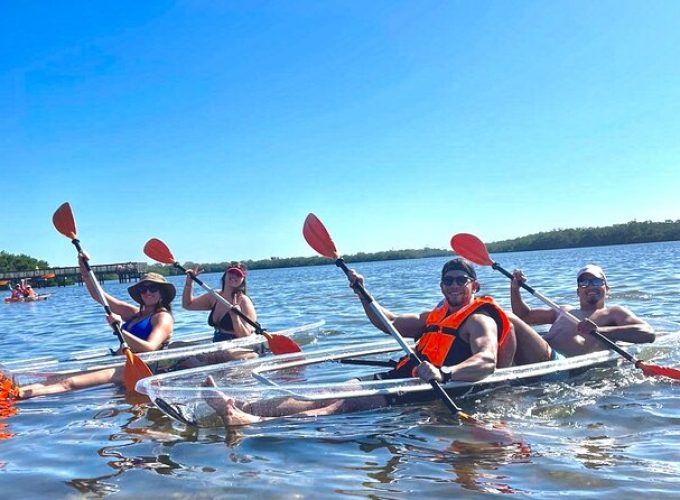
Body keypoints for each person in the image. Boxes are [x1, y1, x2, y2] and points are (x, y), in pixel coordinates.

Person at [200, 258, 521, 426]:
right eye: (447, 281)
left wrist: (445, 373)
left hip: (428, 388)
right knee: (328, 390)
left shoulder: (479, 319)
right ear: (441, 286)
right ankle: (241, 405)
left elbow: (487, 360)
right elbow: (390, 322)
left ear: (473, 285)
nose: (452, 286)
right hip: (402, 378)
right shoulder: (434, 316)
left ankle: (251, 422)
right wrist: (363, 295)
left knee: (345, 404)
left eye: (459, 281)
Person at [12, 254, 175, 399]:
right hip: (116, 360)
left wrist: (118, 329)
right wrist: (84, 268)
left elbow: (150, 348)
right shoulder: (135, 313)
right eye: (143, 289)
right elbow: (100, 296)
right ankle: (12, 392)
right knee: (54, 378)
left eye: (152, 288)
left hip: (135, 368)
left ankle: (15, 398)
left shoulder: (163, 317)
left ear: (162, 292)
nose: (147, 292)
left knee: (69, 383)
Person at [510, 264, 655, 364]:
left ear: (607, 289)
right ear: (578, 291)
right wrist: (515, 288)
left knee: (508, 318)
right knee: (502, 320)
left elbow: (648, 333)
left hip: (558, 366)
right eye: (584, 282)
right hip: (536, 359)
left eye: (597, 281)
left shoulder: (613, 313)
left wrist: (600, 331)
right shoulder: (563, 310)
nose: (591, 285)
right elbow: (523, 317)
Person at [181, 262, 259, 361]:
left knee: (225, 354)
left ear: (243, 280)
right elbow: (188, 305)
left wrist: (235, 318)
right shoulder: (214, 296)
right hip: (218, 346)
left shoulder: (244, 301)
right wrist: (189, 283)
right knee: (175, 346)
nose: (234, 276)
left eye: (238, 275)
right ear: (225, 275)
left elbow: (245, 337)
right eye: (231, 273)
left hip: (238, 348)